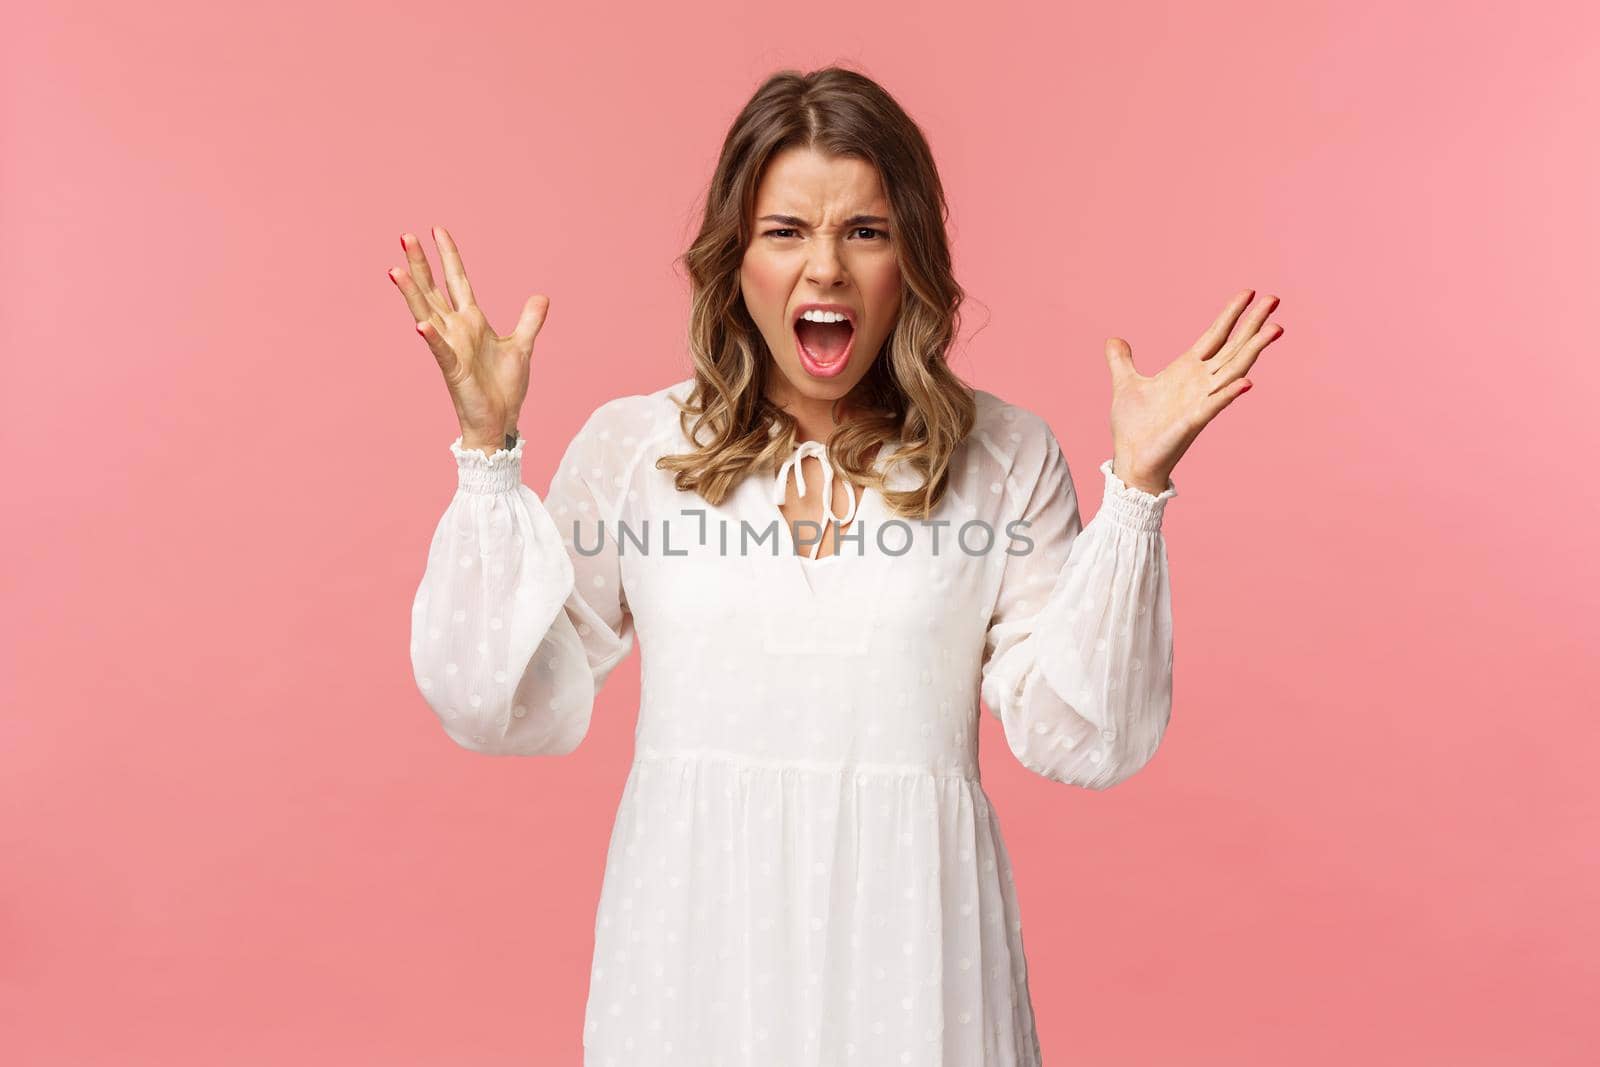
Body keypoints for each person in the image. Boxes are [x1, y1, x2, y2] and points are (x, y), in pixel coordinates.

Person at [390, 66, 1280, 1067]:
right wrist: (486, 450)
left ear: (913, 257)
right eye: (785, 232)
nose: (824, 269)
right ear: (735, 261)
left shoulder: (1003, 456)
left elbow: (1084, 734)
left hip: (915, 957)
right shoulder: (636, 449)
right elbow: (499, 698)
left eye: (865, 230)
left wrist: (1135, 492)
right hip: (695, 953)